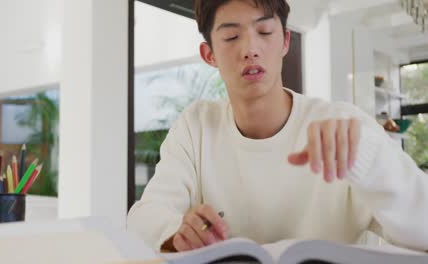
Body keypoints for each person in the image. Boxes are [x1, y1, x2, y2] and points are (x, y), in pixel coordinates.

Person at [127, 0, 428, 252]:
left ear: (285, 41)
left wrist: (370, 163)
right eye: (231, 37)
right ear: (210, 55)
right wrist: (177, 233)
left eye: (265, 31)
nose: (250, 49)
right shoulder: (196, 126)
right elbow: (144, 217)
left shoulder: (344, 127)